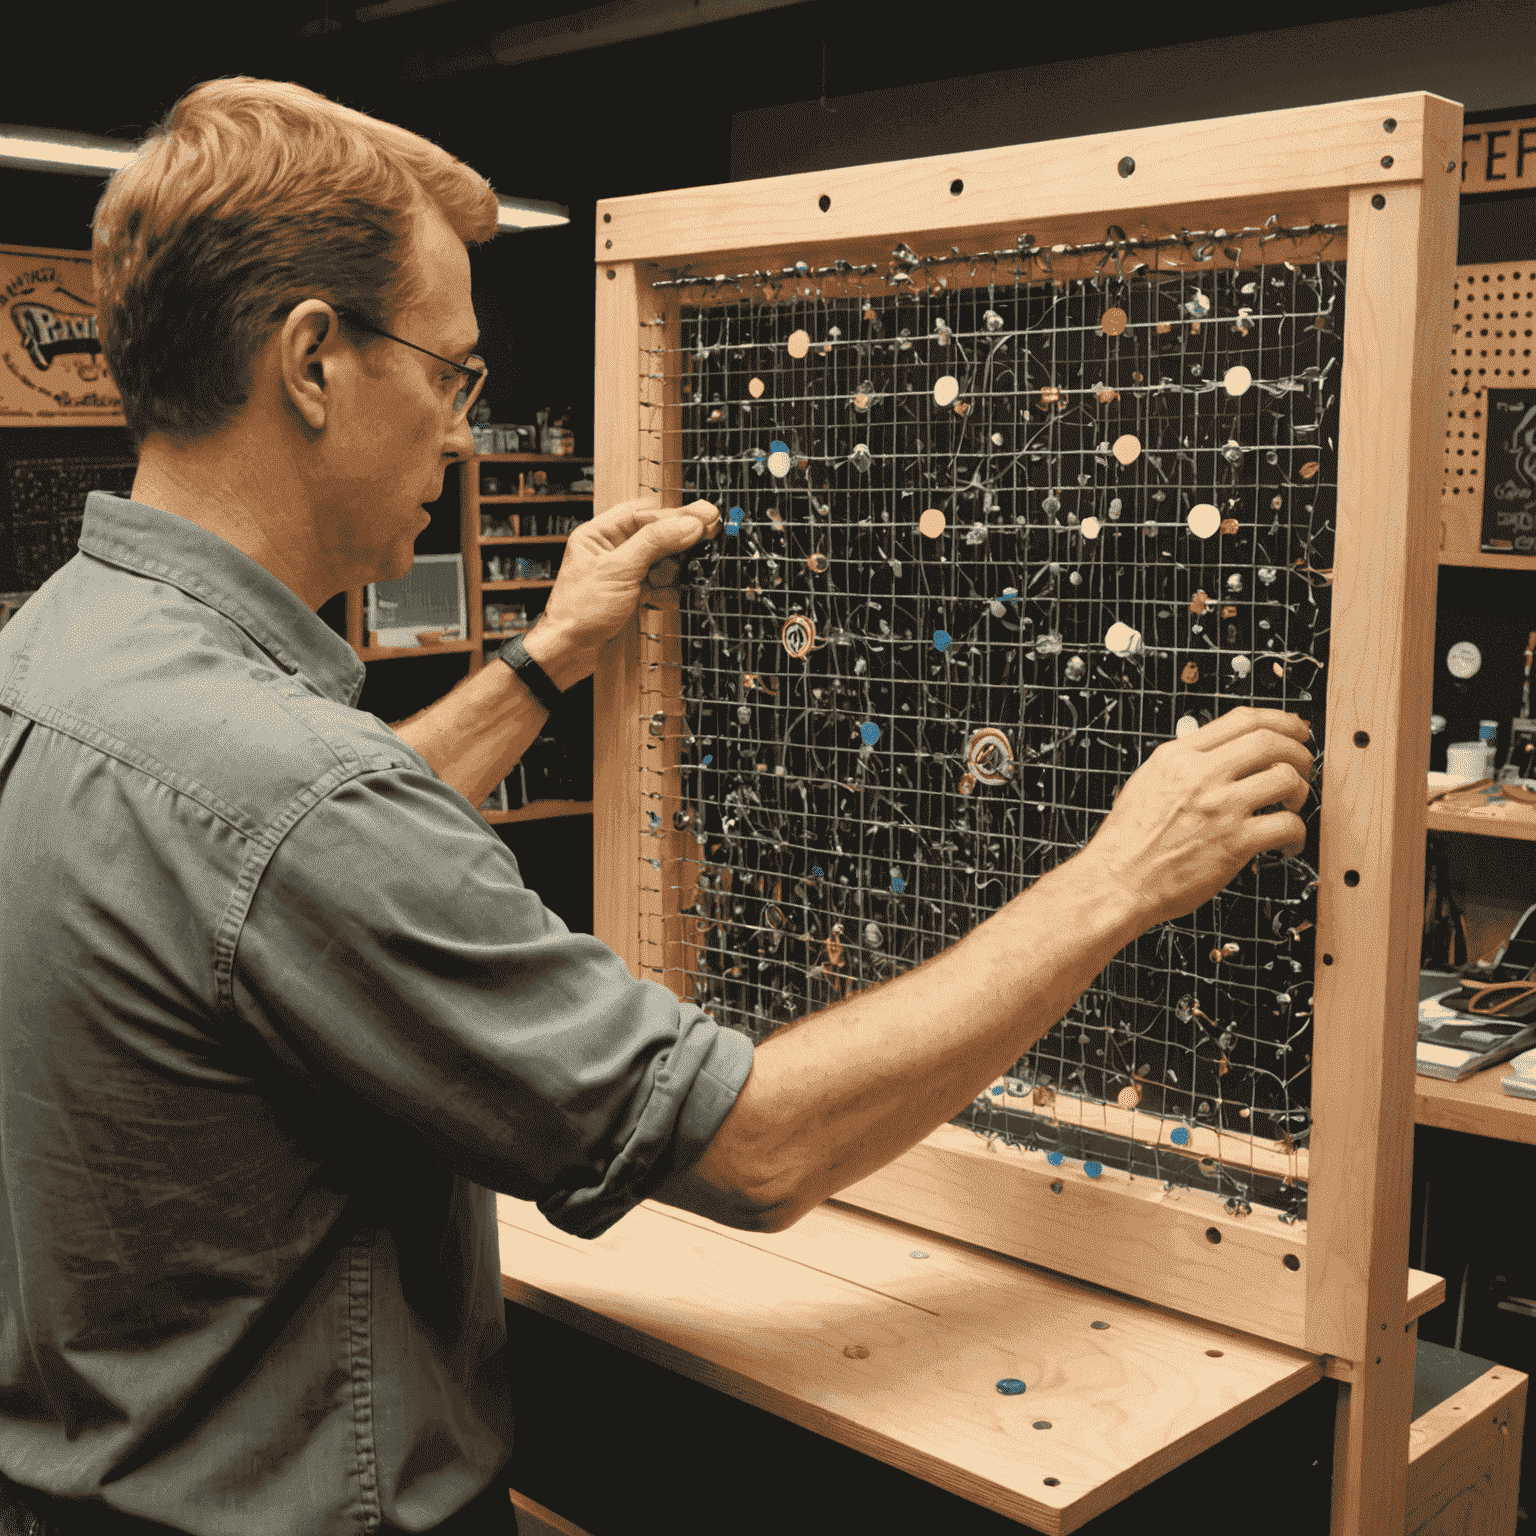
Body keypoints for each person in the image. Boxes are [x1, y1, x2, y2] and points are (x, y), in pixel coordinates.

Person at [0, 76, 1313, 1536]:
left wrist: (546, 658)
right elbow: (753, 1151)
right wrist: (1120, 875)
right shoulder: (292, 796)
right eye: (452, 371)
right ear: (314, 361)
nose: (459, 428)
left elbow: (261, 886)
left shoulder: (57, 654)